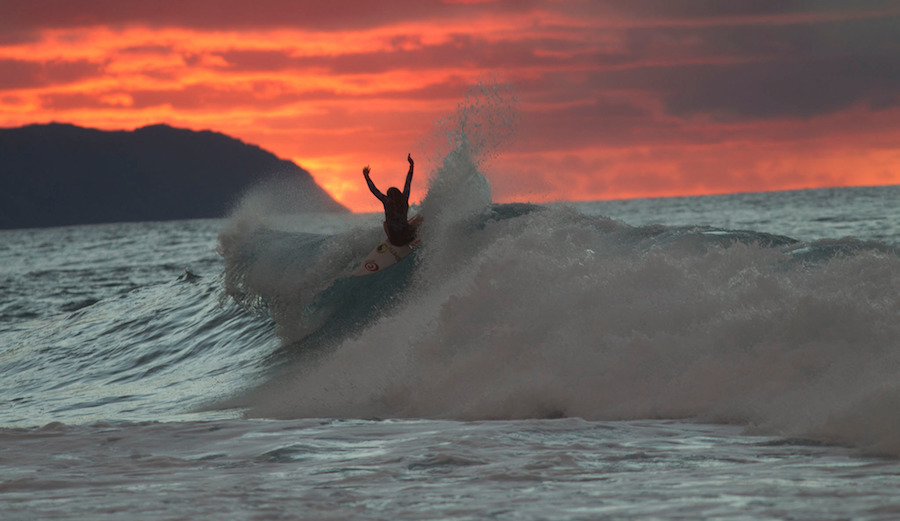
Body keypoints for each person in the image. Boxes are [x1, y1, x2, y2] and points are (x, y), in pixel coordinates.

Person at [363, 153, 418, 246]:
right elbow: (408, 182)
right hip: (408, 235)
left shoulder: (387, 201)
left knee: (385, 223)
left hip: (395, 240)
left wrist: (367, 177)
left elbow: (374, 190)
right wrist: (411, 165)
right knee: (416, 220)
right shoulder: (404, 198)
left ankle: (390, 242)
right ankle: (415, 236)